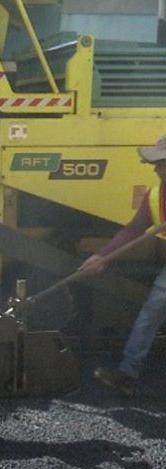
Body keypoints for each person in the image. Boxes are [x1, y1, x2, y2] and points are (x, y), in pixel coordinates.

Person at [79, 134, 166, 397]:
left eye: (159, 162)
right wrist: (102, 256)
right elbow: (133, 230)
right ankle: (127, 374)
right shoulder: (154, 196)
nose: (154, 168)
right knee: (149, 315)